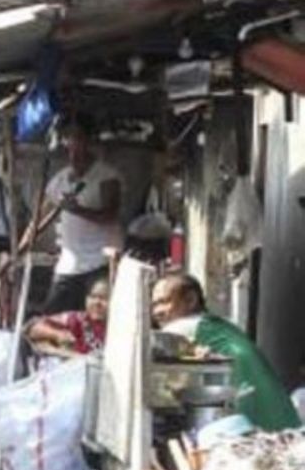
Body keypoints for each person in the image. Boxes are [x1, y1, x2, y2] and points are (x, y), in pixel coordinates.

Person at [152, 273, 299, 431]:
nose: (157, 311)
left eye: (164, 302)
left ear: (190, 300)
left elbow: (150, 347)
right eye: (154, 305)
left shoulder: (184, 326)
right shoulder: (218, 325)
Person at [42, 116, 123, 314]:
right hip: (68, 265)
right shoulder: (59, 180)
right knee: (51, 317)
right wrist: (19, 248)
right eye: (68, 138)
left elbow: (110, 216)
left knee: (99, 320)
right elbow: (40, 219)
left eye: (77, 138)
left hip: (99, 263)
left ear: (89, 141)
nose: (72, 144)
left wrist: (78, 210)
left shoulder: (106, 176)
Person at [27, 276, 110, 356]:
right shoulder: (77, 319)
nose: (97, 303)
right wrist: (57, 334)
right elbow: (34, 328)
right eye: (93, 296)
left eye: (104, 298)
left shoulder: (118, 329)